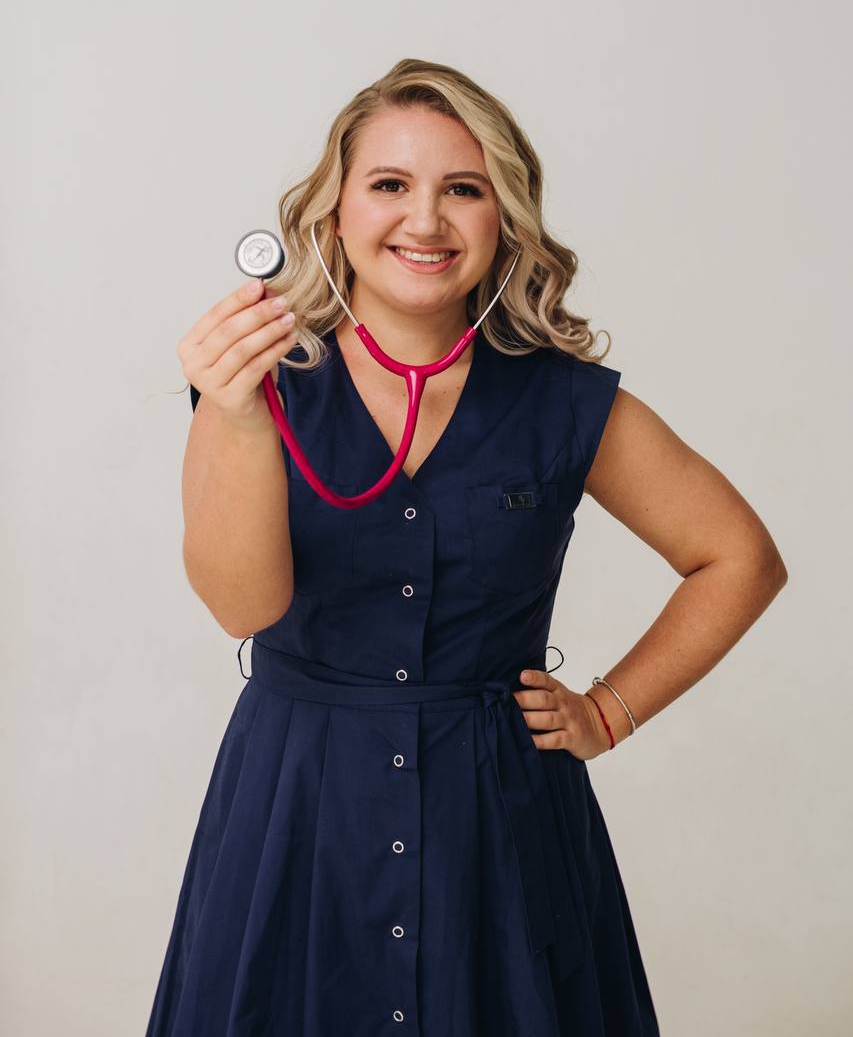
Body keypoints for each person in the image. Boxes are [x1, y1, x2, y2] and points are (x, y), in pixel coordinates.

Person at [146, 58, 787, 1035]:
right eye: (389, 184)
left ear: (505, 217)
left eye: (462, 188)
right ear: (333, 214)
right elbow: (243, 605)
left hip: (498, 819)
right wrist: (234, 417)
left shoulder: (564, 401)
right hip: (300, 809)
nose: (425, 219)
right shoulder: (256, 385)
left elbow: (738, 556)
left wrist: (607, 711)